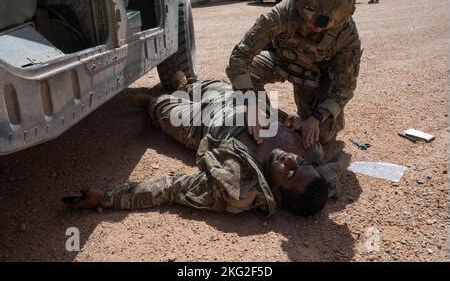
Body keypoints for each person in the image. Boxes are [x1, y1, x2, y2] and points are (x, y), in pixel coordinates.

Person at [66, 80, 351, 218]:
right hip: (233, 96)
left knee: (160, 107)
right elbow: (326, 171)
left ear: (276, 191)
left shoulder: (239, 183)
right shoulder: (311, 151)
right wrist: (295, 119)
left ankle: (153, 103)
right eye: (298, 164)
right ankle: (185, 83)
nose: (290, 160)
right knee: (194, 83)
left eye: (288, 172)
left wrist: (107, 197)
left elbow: (173, 187)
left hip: (199, 124)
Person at [226, 0, 362, 150]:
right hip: (280, 62)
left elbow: (344, 88)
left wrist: (316, 118)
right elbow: (239, 57)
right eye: (310, 14)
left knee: (321, 135)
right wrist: (251, 105)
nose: (317, 26)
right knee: (247, 78)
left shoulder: (347, 35)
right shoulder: (282, 13)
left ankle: (295, 120)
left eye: (326, 23)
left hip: (314, 78)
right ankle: (267, 117)